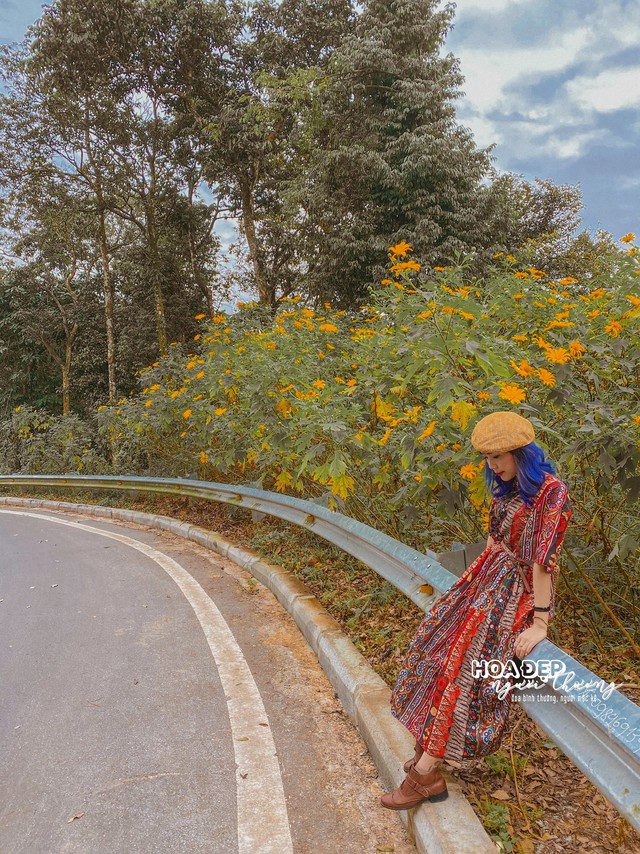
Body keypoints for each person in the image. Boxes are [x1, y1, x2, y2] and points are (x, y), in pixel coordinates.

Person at [380, 410, 573, 810]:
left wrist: (540, 622)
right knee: (433, 648)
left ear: (522, 453)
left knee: (464, 675)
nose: (492, 466)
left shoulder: (551, 492)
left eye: (499, 457)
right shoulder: (508, 489)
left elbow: (541, 562)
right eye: (487, 458)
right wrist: (467, 593)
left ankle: (424, 777)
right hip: (485, 583)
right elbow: (493, 541)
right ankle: (426, 752)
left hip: (515, 594)